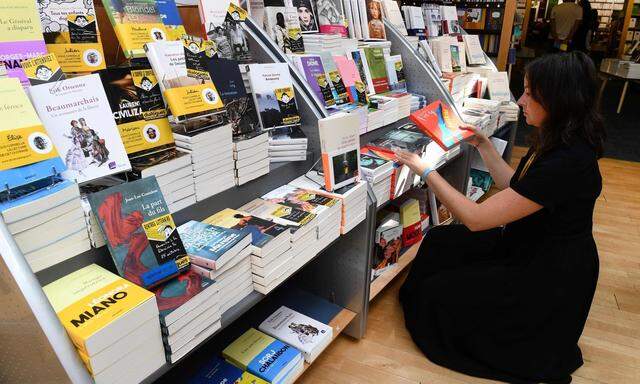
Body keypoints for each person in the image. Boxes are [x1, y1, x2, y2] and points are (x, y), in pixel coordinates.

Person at [395, 52, 605, 383]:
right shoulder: (559, 139)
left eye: (529, 94)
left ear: (558, 100)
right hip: (529, 243)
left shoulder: (568, 160)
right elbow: (518, 188)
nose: (521, 101)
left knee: (439, 294)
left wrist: (426, 172)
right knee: (440, 241)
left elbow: (475, 218)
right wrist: (483, 145)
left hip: (548, 272)